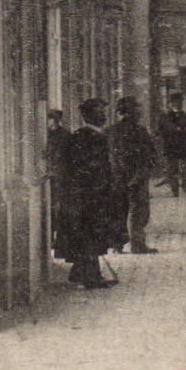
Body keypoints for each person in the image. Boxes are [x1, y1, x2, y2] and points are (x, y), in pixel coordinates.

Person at [60, 99, 118, 288]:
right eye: (99, 111)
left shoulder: (98, 135)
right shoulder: (83, 137)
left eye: (103, 111)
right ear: (88, 115)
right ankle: (90, 277)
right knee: (90, 233)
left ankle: (83, 273)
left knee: (92, 234)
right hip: (88, 194)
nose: (103, 115)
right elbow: (80, 167)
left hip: (96, 193)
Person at [108, 95, 159, 254]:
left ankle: (117, 245)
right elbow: (151, 154)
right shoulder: (139, 131)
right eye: (135, 109)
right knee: (138, 212)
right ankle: (137, 244)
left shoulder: (110, 131)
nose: (138, 113)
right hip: (136, 177)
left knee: (119, 210)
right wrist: (144, 171)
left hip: (118, 177)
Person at [45, 109, 71, 260]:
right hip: (48, 178)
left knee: (60, 211)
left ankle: (61, 246)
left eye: (53, 119)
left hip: (61, 179)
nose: (50, 122)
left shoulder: (65, 136)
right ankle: (49, 242)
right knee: (48, 210)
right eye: (49, 119)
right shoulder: (44, 135)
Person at [157, 92, 186, 197]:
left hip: (184, 146)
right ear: (172, 103)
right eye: (177, 102)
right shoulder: (165, 116)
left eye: (180, 102)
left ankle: (185, 188)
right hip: (170, 146)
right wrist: (177, 130)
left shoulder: (184, 115)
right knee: (172, 169)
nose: (179, 104)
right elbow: (163, 129)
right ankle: (174, 190)